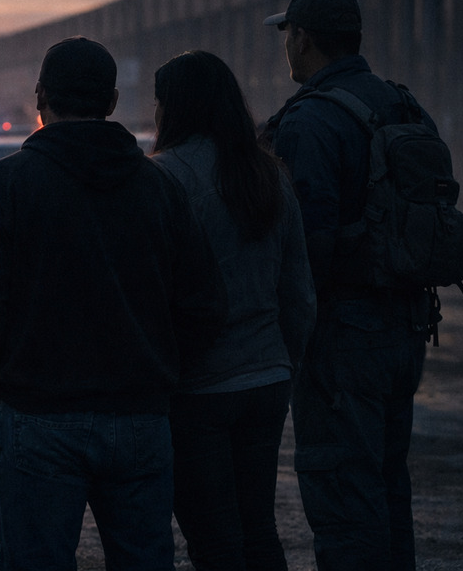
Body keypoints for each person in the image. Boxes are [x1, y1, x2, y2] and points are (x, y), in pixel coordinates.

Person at [0, 37, 228, 571]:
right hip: (140, 415)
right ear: (114, 101)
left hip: (38, 414)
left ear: (40, 98)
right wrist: (160, 372)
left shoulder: (6, 185)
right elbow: (203, 304)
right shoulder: (158, 187)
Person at [260, 0, 443, 569]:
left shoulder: (311, 121)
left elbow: (304, 249)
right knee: (388, 486)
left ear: (304, 39)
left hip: (343, 338)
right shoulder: (403, 105)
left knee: (342, 492)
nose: (285, 48)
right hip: (405, 326)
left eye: (287, 35)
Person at [152, 50, 316, 570]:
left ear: (174, 107)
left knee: (213, 539)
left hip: (198, 388)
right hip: (266, 379)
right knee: (258, 528)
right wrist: (284, 364)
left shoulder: (165, 178)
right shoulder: (270, 175)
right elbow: (299, 294)